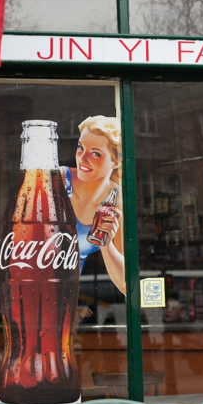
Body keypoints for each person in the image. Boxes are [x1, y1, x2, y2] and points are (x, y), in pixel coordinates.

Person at [62, 116, 126, 294]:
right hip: (36, 284)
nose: (82, 158)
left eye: (95, 153)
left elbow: (126, 285)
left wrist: (107, 245)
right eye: (80, 148)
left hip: (70, 295)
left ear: (116, 162)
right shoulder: (58, 180)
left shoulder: (118, 200)